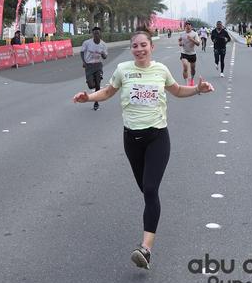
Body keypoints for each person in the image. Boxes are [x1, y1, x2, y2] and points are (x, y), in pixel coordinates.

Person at [73, 27, 214, 270]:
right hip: (132, 139)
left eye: (143, 45)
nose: (139, 49)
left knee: (150, 189)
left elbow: (177, 90)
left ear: (151, 47)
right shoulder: (123, 70)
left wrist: (197, 90)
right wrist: (89, 97)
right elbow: (108, 92)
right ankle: (151, 222)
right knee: (145, 190)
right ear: (131, 49)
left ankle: (145, 249)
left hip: (158, 137)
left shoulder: (161, 70)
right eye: (135, 46)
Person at [80, 26, 108, 111]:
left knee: (98, 84)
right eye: (95, 33)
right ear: (93, 34)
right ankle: (94, 84)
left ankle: (96, 103)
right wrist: (84, 62)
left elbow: (105, 57)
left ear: (100, 34)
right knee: (91, 85)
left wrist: (103, 54)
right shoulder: (87, 43)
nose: (96, 35)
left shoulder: (103, 44)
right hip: (89, 66)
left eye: (98, 33)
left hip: (98, 65)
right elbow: (82, 52)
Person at [178, 21, 200, 86]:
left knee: (193, 69)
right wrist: (180, 43)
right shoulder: (182, 34)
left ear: (191, 26)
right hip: (184, 53)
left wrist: (191, 39)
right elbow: (179, 41)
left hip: (192, 53)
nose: (187, 26)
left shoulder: (195, 34)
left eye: (189, 25)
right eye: (186, 25)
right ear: (185, 26)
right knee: (185, 67)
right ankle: (186, 83)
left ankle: (192, 79)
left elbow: (198, 43)